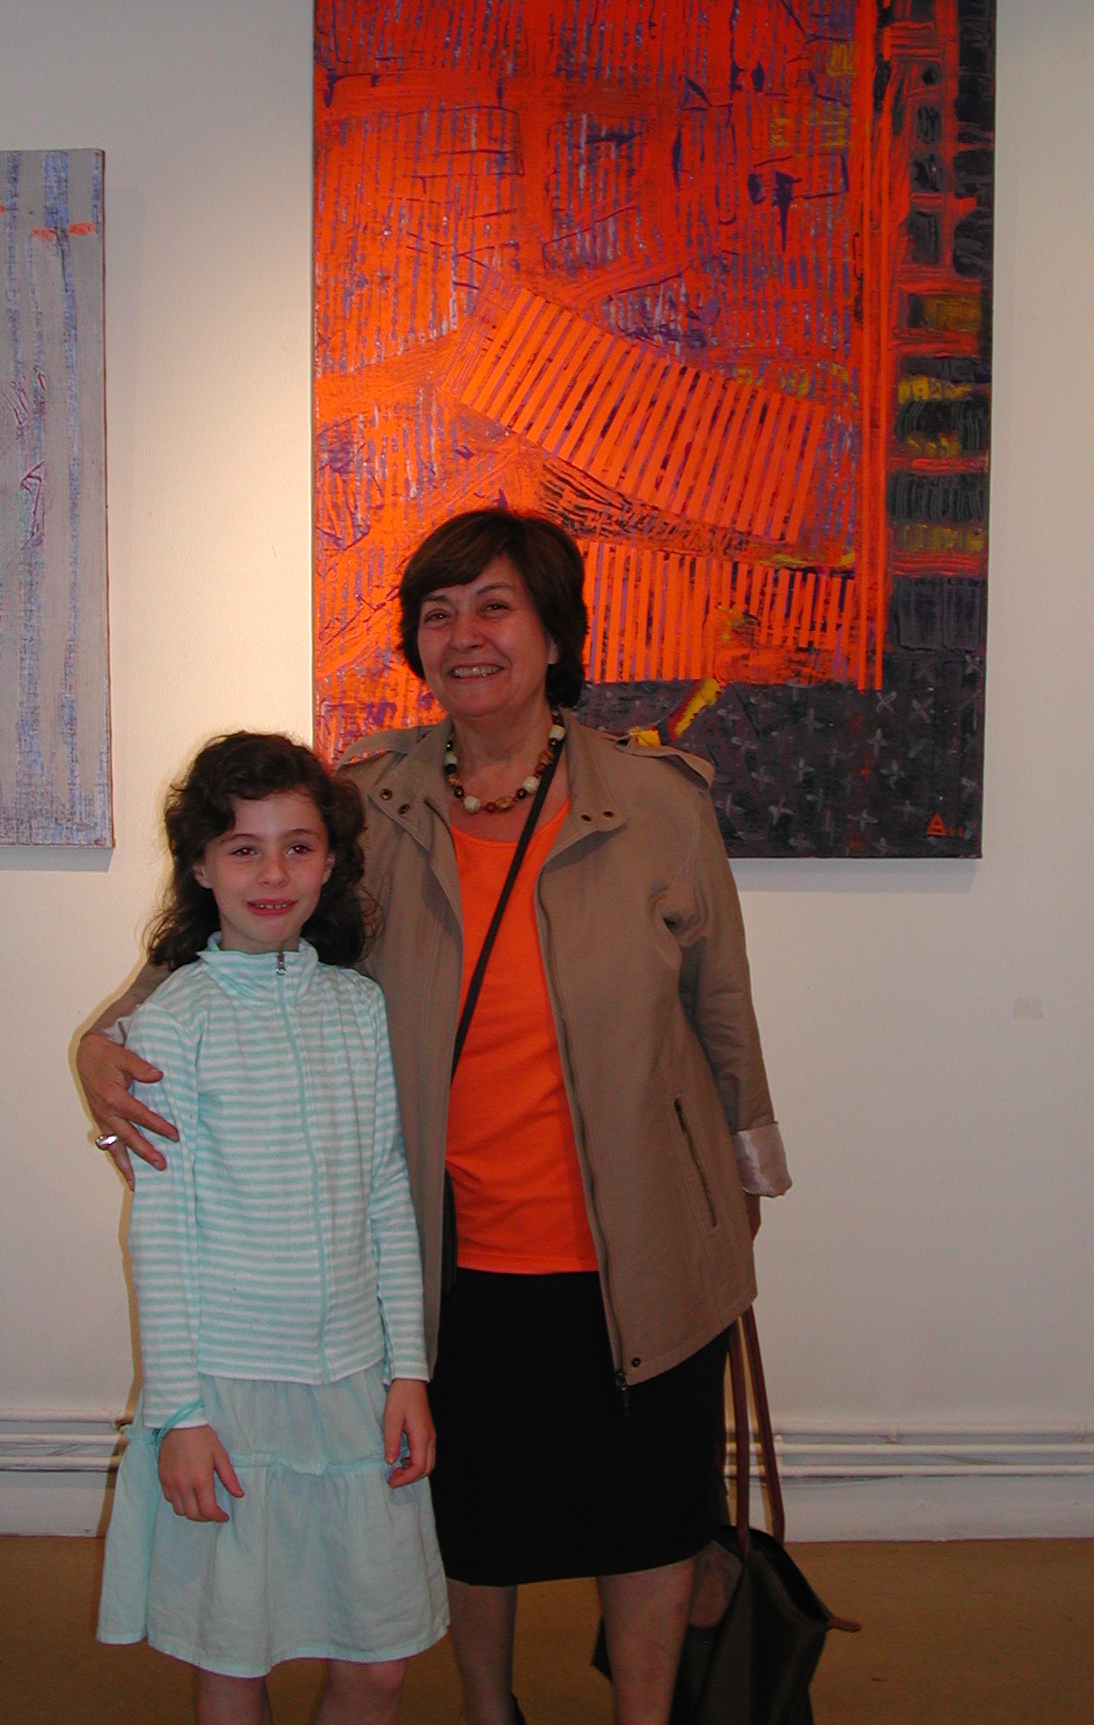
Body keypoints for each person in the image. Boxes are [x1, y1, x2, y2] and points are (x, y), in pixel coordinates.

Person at [81, 510, 791, 1725]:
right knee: (468, 1511)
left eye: (495, 605)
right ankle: (486, 1706)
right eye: (439, 611)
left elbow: (723, 1005)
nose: (466, 635)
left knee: (650, 1512)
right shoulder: (369, 801)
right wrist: (110, 1035)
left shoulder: (657, 802)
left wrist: (744, 1183)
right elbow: (229, 927)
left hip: (645, 1237)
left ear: (556, 632)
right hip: (445, 1245)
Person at [94, 731, 448, 1725]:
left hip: (356, 1386)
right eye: (243, 848)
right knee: (233, 1650)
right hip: (228, 1392)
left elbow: (386, 1194)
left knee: (378, 1660)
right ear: (202, 866)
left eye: (298, 846)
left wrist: (409, 1372)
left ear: (331, 862)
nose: (273, 873)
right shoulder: (174, 1022)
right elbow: (160, 1234)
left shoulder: (358, 1008)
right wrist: (181, 1413)